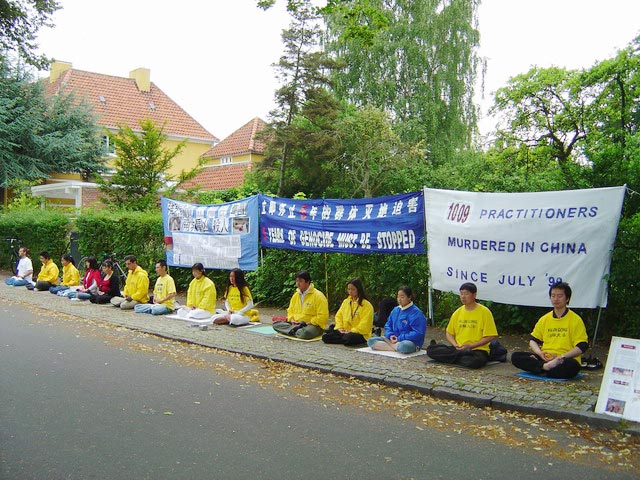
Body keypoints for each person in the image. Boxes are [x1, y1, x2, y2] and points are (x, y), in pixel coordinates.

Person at [511, 281, 588, 379]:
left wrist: (561, 357)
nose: (556, 299)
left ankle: (541, 368)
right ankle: (545, 367)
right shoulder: (545, 319)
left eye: (560, 296)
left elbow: (582, 346)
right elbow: (533, 340)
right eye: (553, 296)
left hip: (563, 359)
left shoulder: (575, 319)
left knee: (572, 366)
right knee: (516, 356)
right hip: (545, 358)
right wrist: (539, 353)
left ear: (567, 298)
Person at [426, 282, 499, 369]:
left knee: (474, 361)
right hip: (458, 348)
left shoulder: (485, 312)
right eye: (461, 294)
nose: (463, 297)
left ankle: (455, 356)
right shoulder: (457, 312)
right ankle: (460, 355)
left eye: (466, 294)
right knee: (430, 351)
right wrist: (455, 344)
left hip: (477, 350)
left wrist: (471, 346)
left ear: (474, 295)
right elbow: (449, 333)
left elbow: (490, 336)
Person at [367, 286, 427, 353]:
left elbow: (418, 333)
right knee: (370, 341)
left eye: (402, 297)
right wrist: (390, 335)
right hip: (393, 339)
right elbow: (388, 325)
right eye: (398, 297)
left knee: (404, 346)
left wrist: (399, 338)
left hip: (409, 341)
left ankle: (391, 347)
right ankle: (394, 348)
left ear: (409, 297)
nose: (399, 299)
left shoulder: (416, 313)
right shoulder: (395, 310)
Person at [272, 270, 329, 340]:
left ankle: (293, 331)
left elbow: (323, 317)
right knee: (276, 325)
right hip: (296, 324)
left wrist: (308, 323)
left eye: (300, 281)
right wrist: (292, 319)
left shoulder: (318, 296)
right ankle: (295, 331)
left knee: (305, 333)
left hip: (312, 325)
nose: (298, 284)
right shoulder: (296, 295)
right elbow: (290, 311)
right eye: (297, 281)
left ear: (308, 282)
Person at [322, 278, 374, 346]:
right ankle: (343, 338)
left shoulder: (366, 305)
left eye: (353, 289)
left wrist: (352, 331)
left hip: (359, 333)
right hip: (344, 331)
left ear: (359, 289)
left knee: (349, 338)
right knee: (325, 337)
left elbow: (365, 324)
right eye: (349, 289)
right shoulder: (346, 301)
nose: (350, 292)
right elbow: (339, 316)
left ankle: (344, 338)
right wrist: (340, 328)